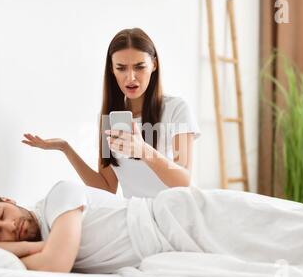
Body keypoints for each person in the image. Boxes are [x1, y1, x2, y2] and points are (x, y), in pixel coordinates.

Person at [0, 180, 303, 276]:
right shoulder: (41, 245)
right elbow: (52, 260)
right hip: (171, 249)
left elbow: (57, 264)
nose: (10, 227)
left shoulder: (58, 197)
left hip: (184, 217)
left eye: (1, 215)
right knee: (282, 258)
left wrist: (9, 252)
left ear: (8, 201)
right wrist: (9, 252)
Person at [21, 28, 200, 198]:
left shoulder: (176, 109)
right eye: (121, 68)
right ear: (111, 69)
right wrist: (65, 148)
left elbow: (183, 181)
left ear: (154, 64)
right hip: (139, 217)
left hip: (177, 211)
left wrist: (143, 150)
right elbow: (106, 188)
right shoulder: (108, 118)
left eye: (139, 67)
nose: (130, 77)